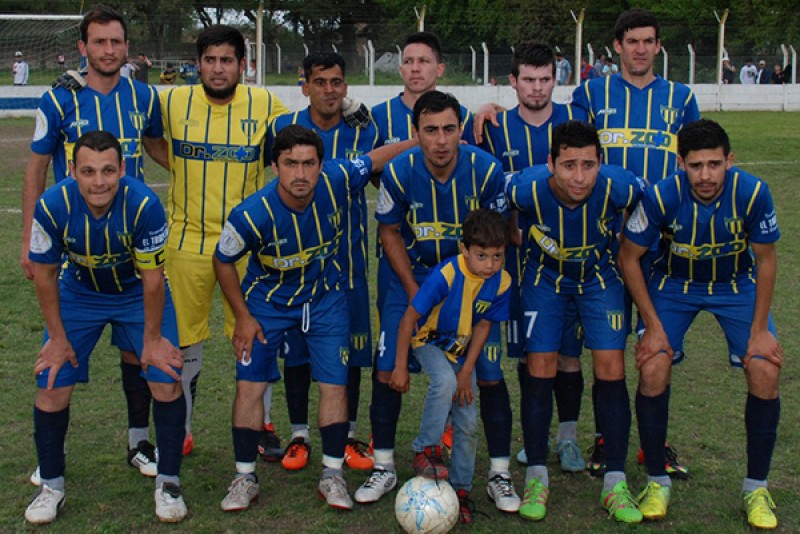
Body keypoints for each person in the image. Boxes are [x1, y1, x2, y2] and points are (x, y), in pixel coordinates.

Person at [214, 124, 402, 512]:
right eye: (290, 164)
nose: (300, 174)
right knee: (250, 386)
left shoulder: (336, 179)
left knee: (334, 385)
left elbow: (374, 159)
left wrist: (424, 141)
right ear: (274, 166)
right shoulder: (252, 213)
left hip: (323, 299)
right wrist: (243, 317)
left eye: (308, 163)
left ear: (321, 165)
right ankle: (244, 477)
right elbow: (222, 260)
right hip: (266, 304)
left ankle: (332, 476)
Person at [20, 3, 169, 484]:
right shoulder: (59, 98)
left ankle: (138, 442)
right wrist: (28, 239)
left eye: (116, 41)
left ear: (127, 47)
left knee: (137, 355)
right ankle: (53, 454)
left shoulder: (144, 96)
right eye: (99, 41)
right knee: (58, 360)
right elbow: (36, 169)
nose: (108, 50)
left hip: (133, 251)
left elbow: (156, 146)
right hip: (78, 253)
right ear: (83, 47)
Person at [618, 119, 782, 529]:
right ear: (681, 164)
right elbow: (628, 257)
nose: (705, 175)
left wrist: (760, 331)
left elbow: (766, 259)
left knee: (764, 368)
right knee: (653, 363)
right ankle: (657, 480)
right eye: (696, 166)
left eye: (714, 164)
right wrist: (652, 325)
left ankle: (756, 487)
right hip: (674, 284)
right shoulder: (661, 195)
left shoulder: (753, 192)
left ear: (730, 160)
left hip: (735, 284)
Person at [358, 91, 508, 523]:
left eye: (448, 129)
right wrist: (412, 290)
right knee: (388, 368)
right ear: (415, 132)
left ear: (461, 130)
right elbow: (389, 231)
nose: (441, 140)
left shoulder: (487, 171)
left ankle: (495, 474)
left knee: (485, 374)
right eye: (430, 130)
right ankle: (384, 465)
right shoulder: (399, 170)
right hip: (414, 275)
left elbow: (497, 237)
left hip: (472, 279)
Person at [24, 131, 187, 524]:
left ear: (122, 169)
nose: (99, 181)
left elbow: (153, 279)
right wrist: (57, 339)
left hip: (135, 291)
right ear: (73, 171)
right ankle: (51, 486)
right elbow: (44, 276)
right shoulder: (52, 205)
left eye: (108, 171)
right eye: (89, 171)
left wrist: (152, 340)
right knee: (51, 381)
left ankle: (168, 482)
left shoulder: (144, 204)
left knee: (166, 377)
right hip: (80, 292)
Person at [571, 7, 700, 477]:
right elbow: (568, 146)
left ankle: (653, 444)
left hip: (659, 250)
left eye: (648, 41)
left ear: (658, 46)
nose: (640, 49)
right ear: (617, 46)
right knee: (607, 352)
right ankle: (607, 440)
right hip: (603, 244)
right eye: (632, 41)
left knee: (654, 349)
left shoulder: (681, 98)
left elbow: (694, 163)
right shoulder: (590, 93)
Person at [159, 24, 288, 457]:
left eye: (227, 60)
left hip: (247, 247)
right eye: (210, 60)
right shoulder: (172, 100)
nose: (218, 69)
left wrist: (345, 104)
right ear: (198, 64)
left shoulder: (265, 102)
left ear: (242, 65)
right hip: (186, 242)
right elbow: (135, 122)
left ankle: (262, 425)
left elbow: (306, 127)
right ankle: (180, 429)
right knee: (183, 341)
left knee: (255, 335)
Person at [507, 120, 643, 523]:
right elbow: (498, 206)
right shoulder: (524, 188)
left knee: (611, 367)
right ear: (551, 163)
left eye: (588, 165)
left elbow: (647, 210)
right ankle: (536, 476)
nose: (579, 177)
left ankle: (615, 482)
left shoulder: (621, 186)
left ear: (601, 161)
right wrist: (518, 237)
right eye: (569, 165)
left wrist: (625, 242)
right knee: (540, 366)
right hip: (543, 279)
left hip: (599, 278)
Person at [477, 42, 589, 475]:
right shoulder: (494, 127)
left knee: (569, 355)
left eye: (545, 79)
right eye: (529, 79)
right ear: (513, 81)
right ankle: (535, 437)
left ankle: (569, 438)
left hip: (570, 261)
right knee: (530, 354)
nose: (537, 88)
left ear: (555, 80)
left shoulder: (576, 122)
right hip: (519, 263)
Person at [267, 51, 380, 473]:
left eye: (336, 82)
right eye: (320, 81)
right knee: (297, 355)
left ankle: (347, 434)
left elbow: (382, 168)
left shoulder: (365, 129)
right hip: (297, 267)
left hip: (348, 266)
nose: (329, 90)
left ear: (345, 87)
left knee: (351, 354)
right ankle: (299, 435)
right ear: (305, 86)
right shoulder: (284, 128)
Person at [390, 208, 512, 525]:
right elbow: (409, 319)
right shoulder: (447, 274)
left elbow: (483, 326)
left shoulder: (501, 282)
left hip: (460, 354)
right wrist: (400, 365)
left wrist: (467, 372)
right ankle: (426, 449)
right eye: (481, 256)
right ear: (464, 249)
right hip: (429, 342)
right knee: (444, 381)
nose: (490, 264)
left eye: (497, 256)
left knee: (468, 420)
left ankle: (461, 490)